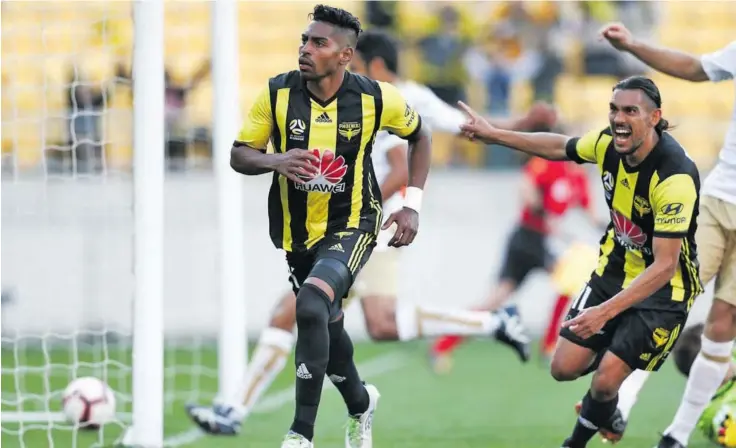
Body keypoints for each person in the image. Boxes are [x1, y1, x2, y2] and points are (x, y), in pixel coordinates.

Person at [185, 27, 553, 440]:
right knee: (349, 320)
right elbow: (468, 124)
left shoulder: (384, 99)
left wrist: (365, 211)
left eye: (354, 61)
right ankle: (486, 324)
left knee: (305, 310)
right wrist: (521, 123)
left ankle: (250, 414)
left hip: (369, 228)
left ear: (370, 65)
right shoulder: (392, 96)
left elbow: (405, 158)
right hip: (346, 228)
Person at [188, 6, 433, 448]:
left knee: (309, 305)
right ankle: (360, 404)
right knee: (329, 326)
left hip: (354, 222)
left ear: (345, 55)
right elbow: (239, 153)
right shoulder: (277, 94)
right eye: (304, 40)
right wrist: (275, 160)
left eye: (318, 43)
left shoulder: (378, 98)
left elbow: (421, 136)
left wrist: (412, 204)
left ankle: (300, 434)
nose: (305, 49)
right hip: (297, 234)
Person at [457, 75, 703, 448]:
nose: (619, 119)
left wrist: (604, 314)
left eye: (630, 111)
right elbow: (561, 146)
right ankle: (608, 404)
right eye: (614, 109)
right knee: (562, 368)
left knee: (605, 379)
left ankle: (574, 442)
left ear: (654, 117)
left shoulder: (674, 177)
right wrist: (496, 135)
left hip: (664, 290)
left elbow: (665, 265)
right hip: (615, 269)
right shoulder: (607, 144)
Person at [578, 26, 736, 448]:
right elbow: (696, 67)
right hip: (719, 198)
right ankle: (619, 404)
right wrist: (632, 45)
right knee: (667, 296)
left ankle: (676, 436)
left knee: (723, 324)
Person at [430, 156, 604, 371]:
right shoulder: (549, 164)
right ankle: (443, 345)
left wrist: (610, 228)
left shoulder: (579, 178)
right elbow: (526, 184)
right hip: (526, 238)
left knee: (567, 282)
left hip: (543, 242)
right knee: (497, 300)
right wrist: (538, 204)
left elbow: (589, 213)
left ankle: (548, 346)